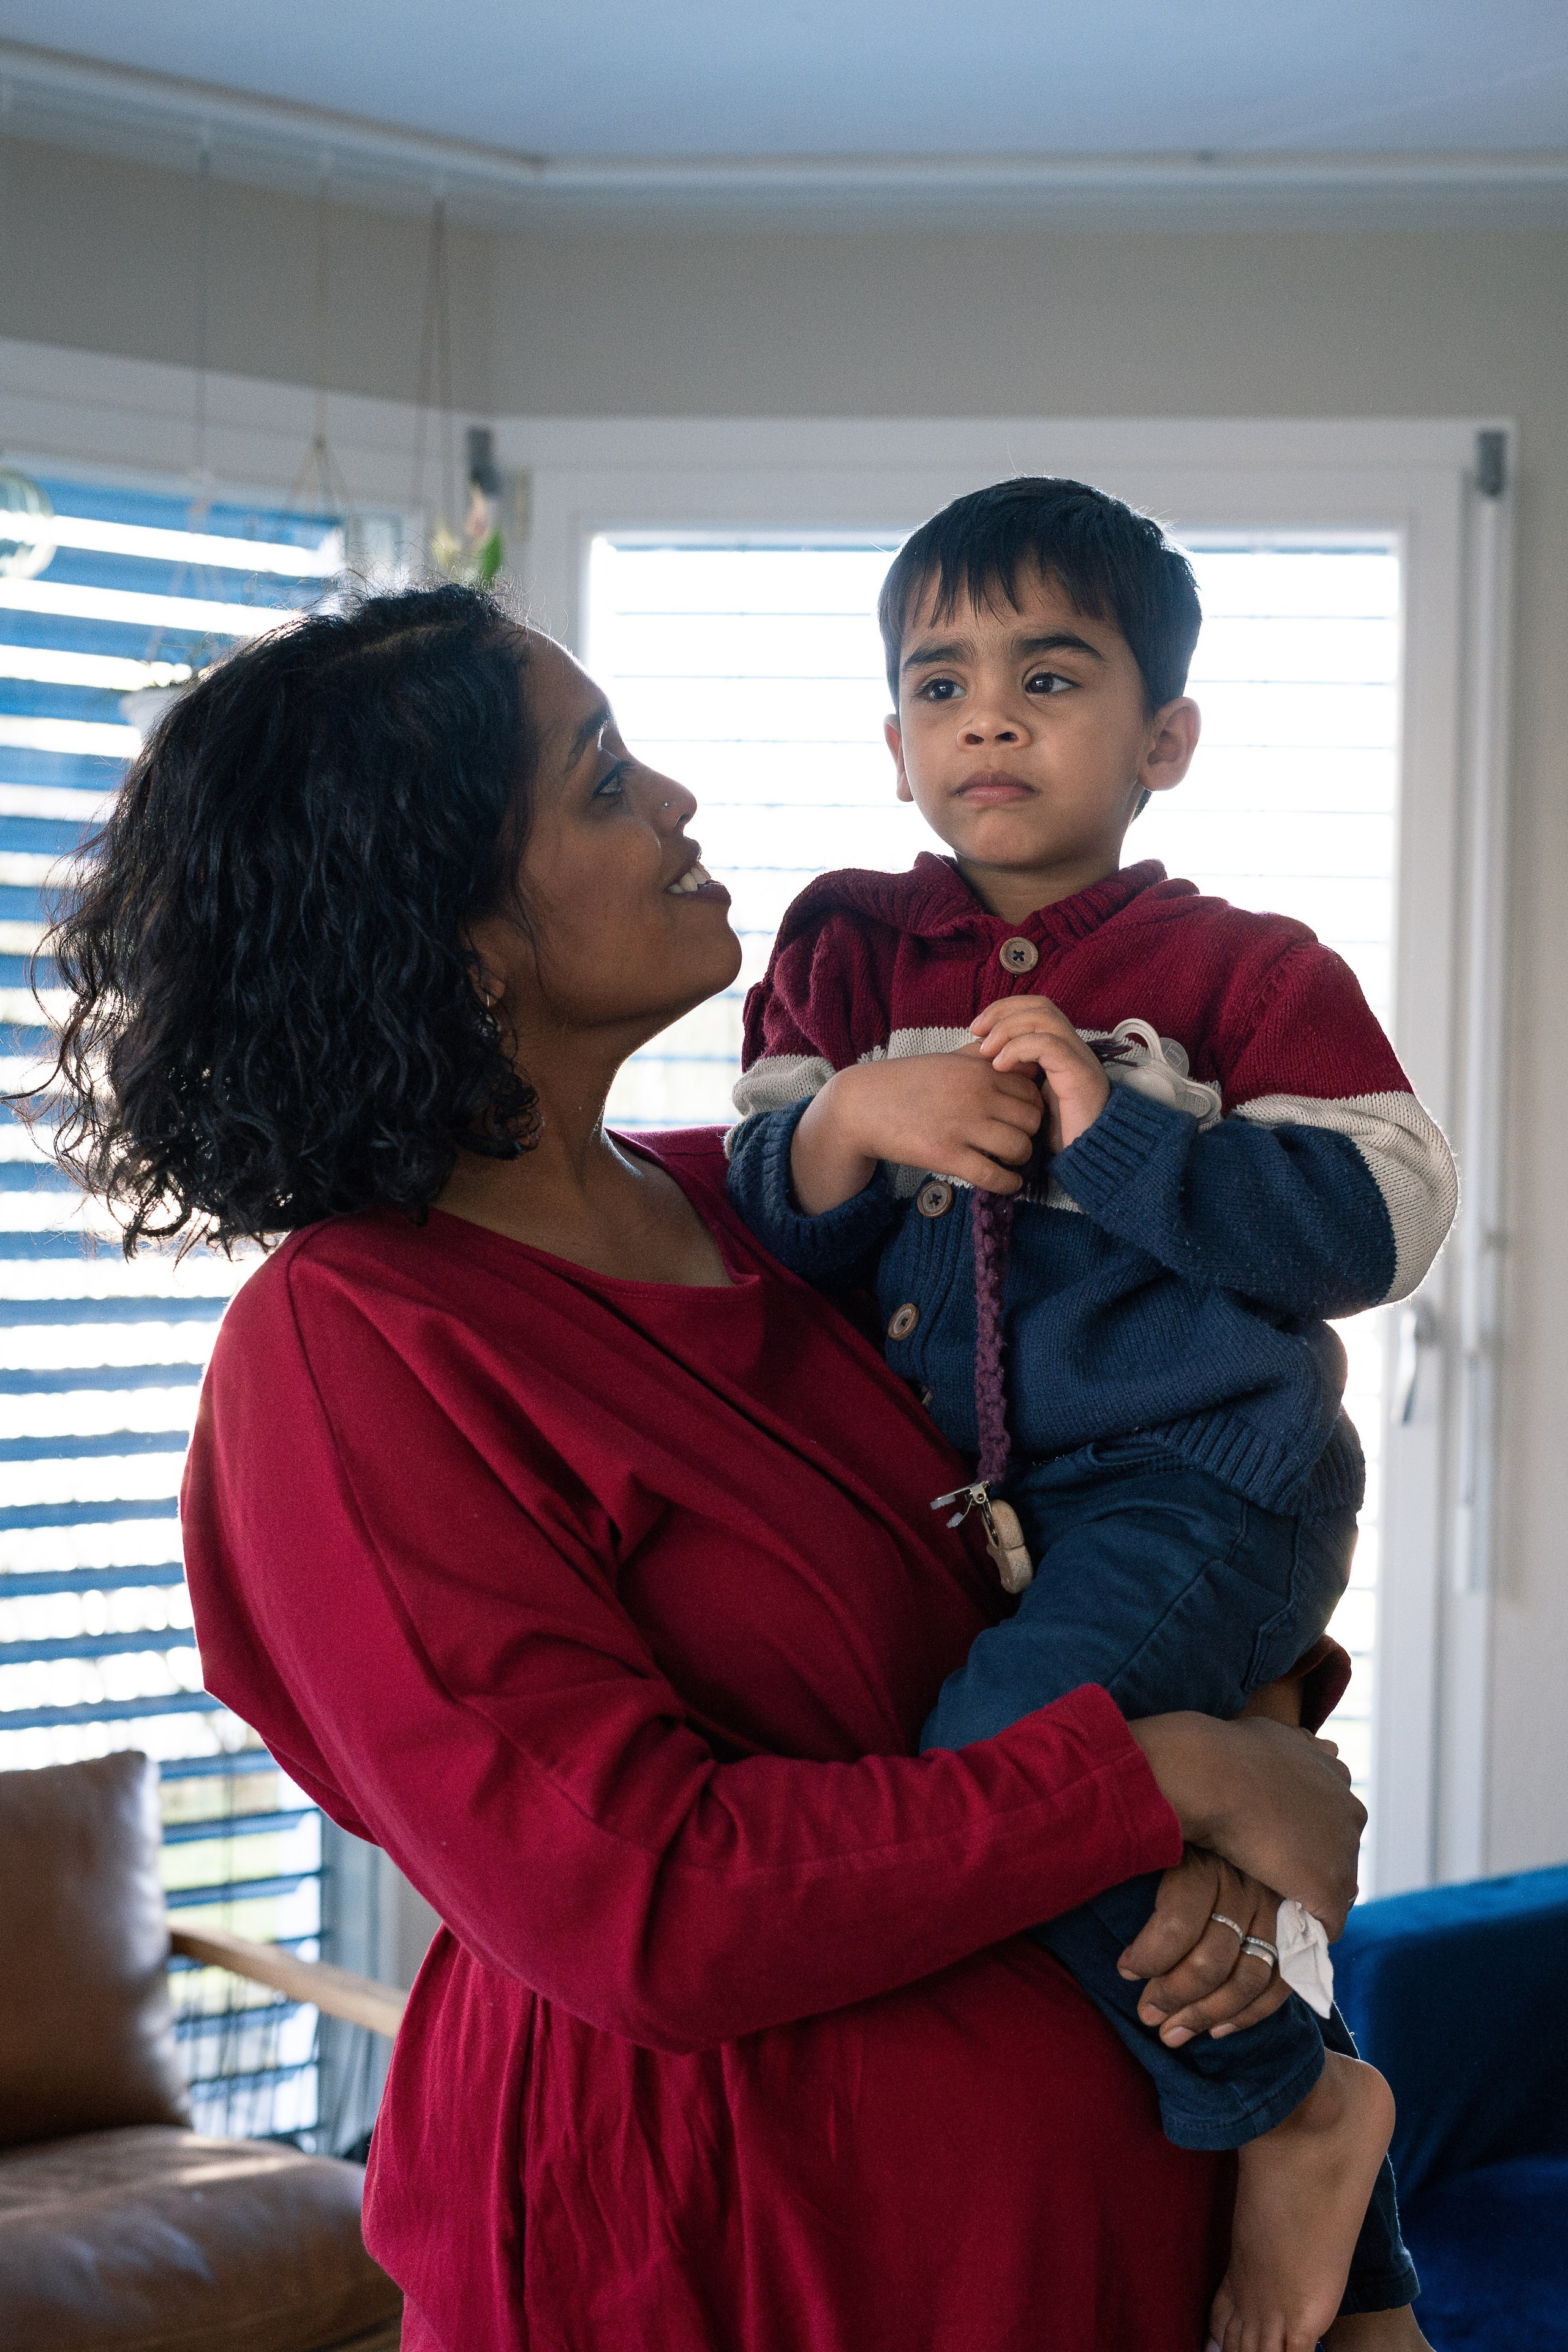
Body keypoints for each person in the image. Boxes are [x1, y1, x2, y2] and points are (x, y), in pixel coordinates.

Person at [34, 582, 1376, 2352]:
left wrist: (1233, 1808)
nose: (677, 800)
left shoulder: (808, 1219)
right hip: (712, 2267)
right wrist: (1156, 1787)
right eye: (602, 782)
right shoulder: (358, 1347)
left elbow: (1129, 1519)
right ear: (457, 942)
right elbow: (642, 1900)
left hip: (1091, 2246)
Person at [728, 478, 1455, 2351]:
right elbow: (751, 1211)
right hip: (967, 1518)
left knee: (1000, 1753)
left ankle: (1289, 2103)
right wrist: (842, 1128)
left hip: (1206, 1482)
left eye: (1051, 676)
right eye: (941, 682)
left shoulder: (1246, 972)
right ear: (896, 746)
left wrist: (1122, 1134)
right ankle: (1357, 2266)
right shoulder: (840, 954)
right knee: (1146, 1854)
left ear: (1166, 739)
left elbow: (1380, 1221)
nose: (991, 717)